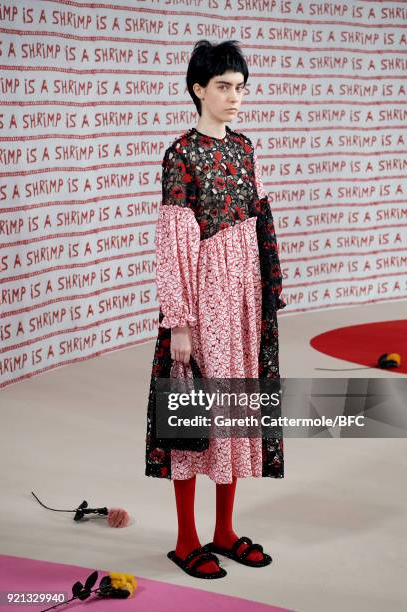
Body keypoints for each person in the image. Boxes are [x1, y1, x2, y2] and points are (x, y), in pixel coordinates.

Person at [145, 39, 286, 579]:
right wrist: (179, 320)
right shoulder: (180, 155)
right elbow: (173, 242)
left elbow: (258, 221)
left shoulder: (245, 149)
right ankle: (186, 539)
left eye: (240, 87)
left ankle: (224, 531)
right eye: (224, 87)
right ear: (198, 89)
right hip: (205, 300)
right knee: (191, 413)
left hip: (245, 299)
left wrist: (265, 296)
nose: (235, 97)